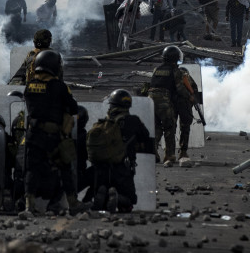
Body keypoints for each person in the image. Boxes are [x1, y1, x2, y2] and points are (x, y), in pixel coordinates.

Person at [22, 49, 80, 213]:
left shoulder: (29, 86)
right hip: (54, 136)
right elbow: (73, 108)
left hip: (33, 134)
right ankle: (73, 203)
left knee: (31, 170)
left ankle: (29, 205)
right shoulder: (59, 87)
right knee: (65, 168)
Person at [87, 89, 153, 213]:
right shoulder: (133, 121)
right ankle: (118, 198)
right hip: (123, 168)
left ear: (111, 104)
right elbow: (145, 136)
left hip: (100, 169)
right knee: (130, 201)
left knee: (102, 202)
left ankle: (102, 193)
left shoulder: (102, 123)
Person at [146, 45, 183, 167]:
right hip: (164, 101)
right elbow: (180, 89)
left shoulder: (156, 69)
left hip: (150, 101)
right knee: (169, 127)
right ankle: (169, 155)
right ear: (175, 59)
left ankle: (152, 151)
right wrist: (191, 97)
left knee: (156, 127)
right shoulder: (175, 71)